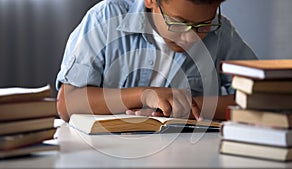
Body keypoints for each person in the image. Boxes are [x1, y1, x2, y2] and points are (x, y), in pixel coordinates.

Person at [56, 0, 257, 122]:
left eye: (204, 25)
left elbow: (260, 97)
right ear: (151, 0)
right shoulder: (105, 18)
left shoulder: (221, 32)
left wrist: (189, 106)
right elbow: (68, 103)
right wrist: (145, 95)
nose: (191, 37)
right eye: (179, 23)